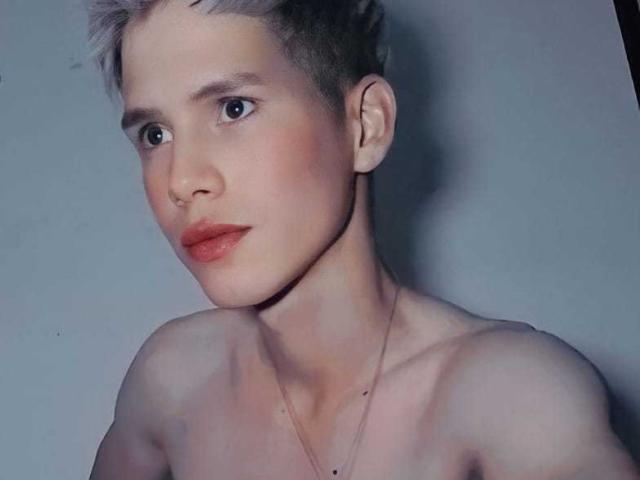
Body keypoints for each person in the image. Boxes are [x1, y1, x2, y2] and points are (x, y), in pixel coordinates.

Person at [87, 1, 638, 479]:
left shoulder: (508, 393)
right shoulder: (171, 383)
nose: (182, 180)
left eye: (234, 108)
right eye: (155, 134)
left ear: (366, 125)